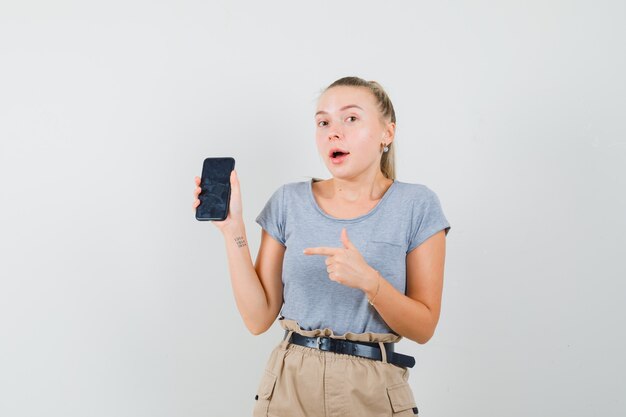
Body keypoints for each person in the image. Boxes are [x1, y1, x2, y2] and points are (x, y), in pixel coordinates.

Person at [192, 76, 451, 417]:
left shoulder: (417, 205)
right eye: (323, 122)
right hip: (289, 385)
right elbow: (257, 319)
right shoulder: (288, 201)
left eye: (351, 118)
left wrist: (370, 283)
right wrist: (232, 230)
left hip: (373, 390)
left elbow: (424, 327)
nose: (333, 131)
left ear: (387, 133)